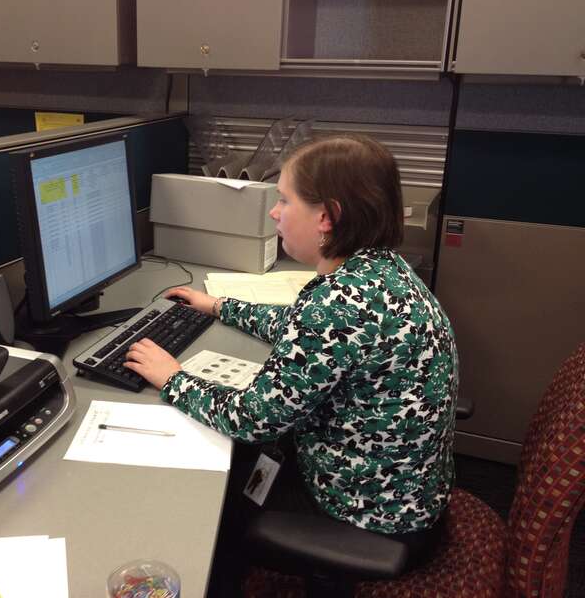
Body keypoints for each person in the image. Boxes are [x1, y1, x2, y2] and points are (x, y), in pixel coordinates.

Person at [124, 135, 458, 583]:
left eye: (284, 200)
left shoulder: (337, 305)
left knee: (211, 511)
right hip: (408, 490)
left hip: (372, 517)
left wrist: (173, 377)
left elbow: (252, 419)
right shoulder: (382, 271)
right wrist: (219, 305)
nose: (274, 212)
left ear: (327, 216)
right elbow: (300, 325)